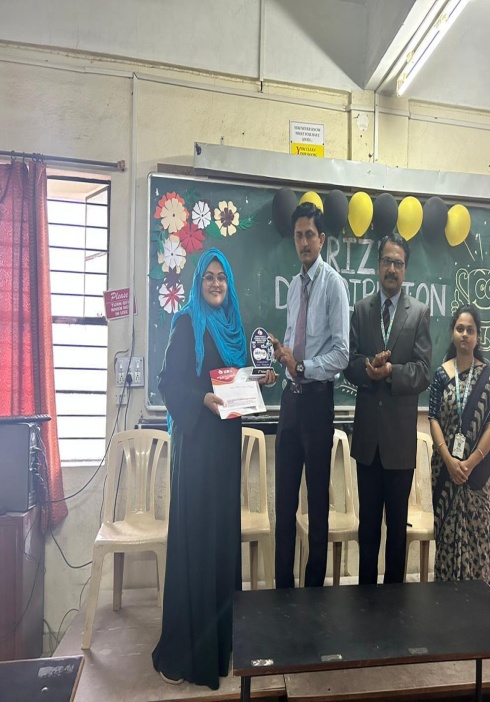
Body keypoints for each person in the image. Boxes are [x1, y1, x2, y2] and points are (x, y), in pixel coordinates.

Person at [152, 248, 275, 688]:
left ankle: (221, 645)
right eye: (209, 277)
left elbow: (236, 383)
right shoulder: (187, 323)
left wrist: (261, 378)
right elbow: (168, 383)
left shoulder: (234, 327)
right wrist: (200, 399)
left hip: (224, 448)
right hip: (196, 447)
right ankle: (192, 654)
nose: (216, 283)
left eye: (222, 277)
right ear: (199, 282)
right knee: (198, 542)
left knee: (221, 540)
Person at [344, 232, 432, 584]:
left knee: (396, 529)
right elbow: (349, 362)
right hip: (368, 441)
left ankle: (394, 606)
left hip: (398, 442)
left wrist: (392, 371)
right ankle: (365, 600)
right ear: (377, 266)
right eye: (386, 261)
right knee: (368, 527)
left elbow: (423, 371)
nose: (391, 269)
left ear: (405, 269)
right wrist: (367, 370)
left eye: (398, 263)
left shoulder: (419, 313)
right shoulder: (361, 310)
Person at [270, 202, 350, 588]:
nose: (304, 242)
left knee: (317, 506)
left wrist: (301, 366)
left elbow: (342, 354)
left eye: (310, 235)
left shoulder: (334, 285)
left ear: (322, 240)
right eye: (298, 235)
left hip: (318, 402)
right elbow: (292, 342)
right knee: (284, 504)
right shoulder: (293, 287)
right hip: (290, 401)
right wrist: (280, 360)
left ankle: (314, 597)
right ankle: (282, 592)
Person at [428, 304, 490, 586]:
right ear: (452, 333)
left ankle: (479, 601)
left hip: (478, 473)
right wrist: (449, 461)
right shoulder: (441, 375)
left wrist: (469, 463)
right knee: (446, 539)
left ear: (477, 336)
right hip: (445, 471)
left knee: (477, 537)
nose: (464, 334)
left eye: (470, 330)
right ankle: (445, 601)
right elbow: (433, 418)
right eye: (460, 329)